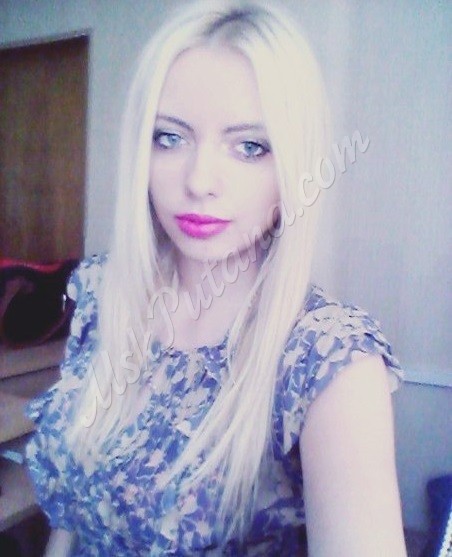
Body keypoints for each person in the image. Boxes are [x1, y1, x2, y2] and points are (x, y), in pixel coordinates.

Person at [25, 1, 408, 555]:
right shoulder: (103, 290)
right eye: (169, 138)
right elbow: (72, 508)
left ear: (293, 166)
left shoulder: (328, 359)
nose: (200, 180)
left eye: (249, 147)